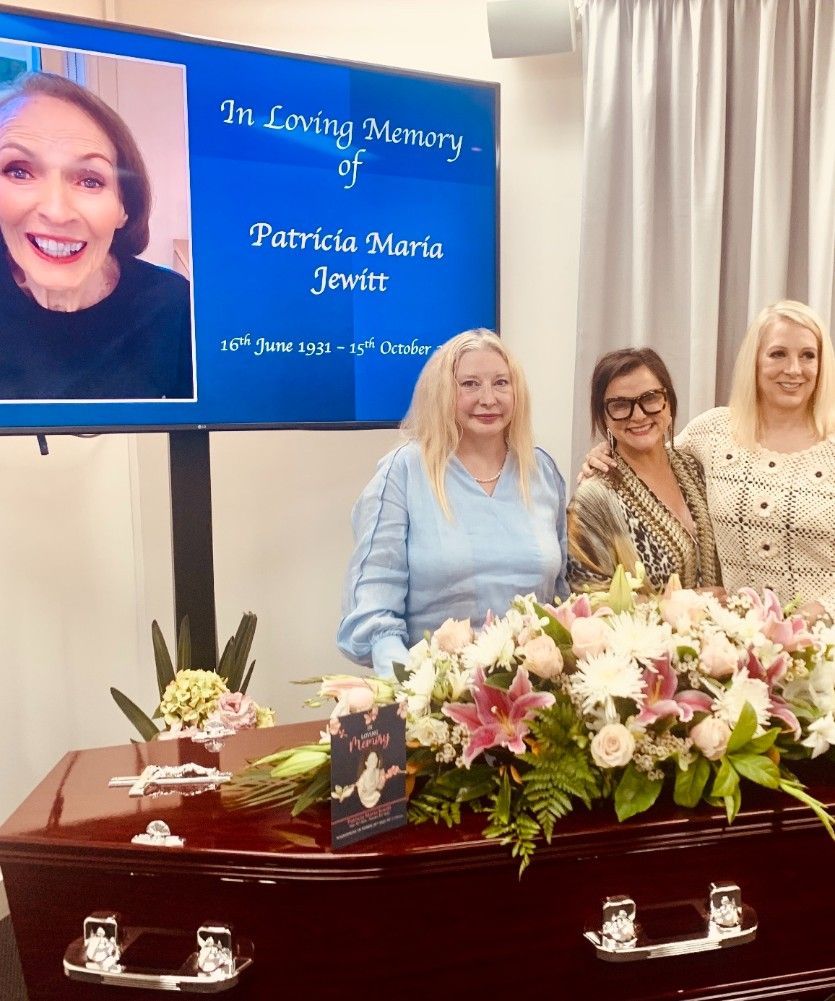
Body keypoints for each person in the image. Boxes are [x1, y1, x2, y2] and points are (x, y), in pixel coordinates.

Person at [579, 301, 835, 621]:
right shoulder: (713, 431)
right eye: (778, 353)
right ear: (754, 361)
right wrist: (603, 452)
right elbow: (647, 444)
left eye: (808, 355)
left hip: (821, 646)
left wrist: (823, 608)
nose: (794, 369)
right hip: (733, 650)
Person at [337, 328, 569, 677]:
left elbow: (562, 598)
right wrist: (410, 689)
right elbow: (374, 611)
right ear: (442, 393)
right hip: (436, 695)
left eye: (501, 383)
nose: (488, 398)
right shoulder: (403, 472)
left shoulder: (540, 470)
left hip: (533, 692)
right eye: (470, 384)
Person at [0, 72, 193, 400]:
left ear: (124, 206)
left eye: (90, 180)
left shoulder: (172, 304)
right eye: (19, 171)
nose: (57, 212)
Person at [568, 348, 721, 592]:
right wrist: (683, 605)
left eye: (650, 398)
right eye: (619, 405)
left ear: (668, 403)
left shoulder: (698, 468)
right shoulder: (595, 498)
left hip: (728, 628)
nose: (638, 415)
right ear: (603, 416)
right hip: (646, 631)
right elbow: (589, 600)